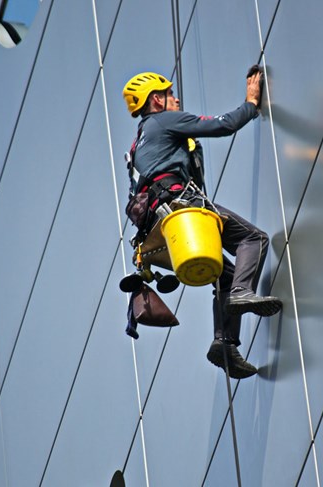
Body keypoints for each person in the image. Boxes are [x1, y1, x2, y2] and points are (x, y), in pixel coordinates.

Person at [122, 69, 282, 379]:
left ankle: (224, 344)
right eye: (170, 94)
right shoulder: (163, 121)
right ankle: (242, 293)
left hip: (159, 229)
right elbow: (223, 126)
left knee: (226, 274)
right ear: (156, 100)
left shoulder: (139, 141)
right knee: (254, 239)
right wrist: (251, 103)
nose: (176, 98)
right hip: (182, 208)